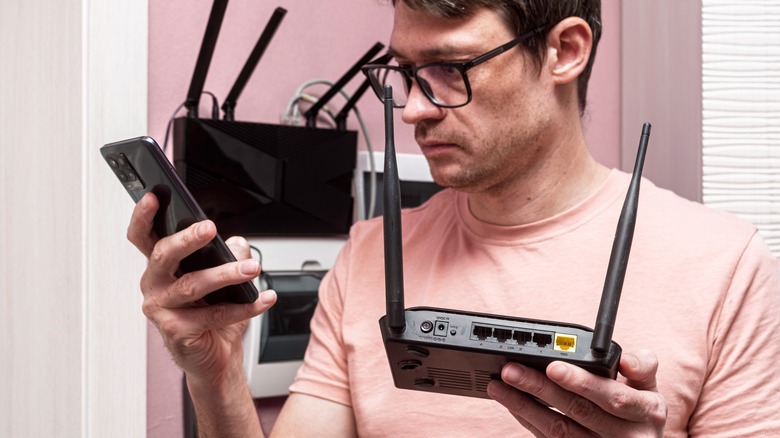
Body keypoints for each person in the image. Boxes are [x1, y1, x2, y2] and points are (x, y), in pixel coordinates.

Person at [128, 0, 780, 436]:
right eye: (405, 73)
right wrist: (214, 375)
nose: (413, 109)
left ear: (565, 50)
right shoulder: (368, 254)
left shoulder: (724, 265)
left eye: (448, 69)